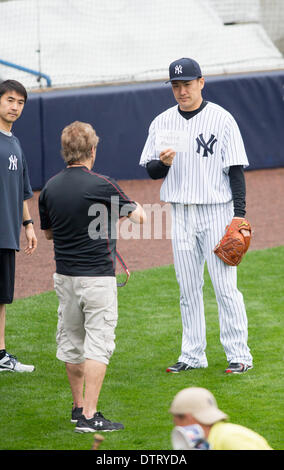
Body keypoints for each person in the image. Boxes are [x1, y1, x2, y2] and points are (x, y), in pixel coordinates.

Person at [139, 57, 253, 374]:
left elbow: (235, 171)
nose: (181, 90)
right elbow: (151, 170)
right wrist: (163, 163)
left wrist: (238, 217)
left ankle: (239, 354)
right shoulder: (162, 122)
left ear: (201, 82)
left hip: (218, 212)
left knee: (224, 287)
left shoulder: (222, 120)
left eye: (187, 84)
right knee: (188, 289)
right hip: (181, 214)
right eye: (176, 85)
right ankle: (192, 355)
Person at [39, 121, 146, 432]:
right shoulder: (102, 184)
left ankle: (77, 408)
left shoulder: (50, 187)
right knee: (99, 345)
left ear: (65, 151)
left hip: (65, 277)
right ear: (92, 150)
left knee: (72, 343)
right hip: (97, 278)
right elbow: (138, 218)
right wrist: (132, 207)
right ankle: (89, 416)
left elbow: (48, 233)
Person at [0, 80, 37, 373]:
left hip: (8, 233)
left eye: (20, 102)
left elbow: (22, 190)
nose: (15, 106)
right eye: (10, 100)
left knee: (1, 298)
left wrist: (28, 224)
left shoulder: (15, 142)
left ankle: (0, 355)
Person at [170, 387, 273, 450]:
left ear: (188, 417)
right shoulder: (208, 441)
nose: (176, 425)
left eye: (175, 420)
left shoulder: (229, 438)